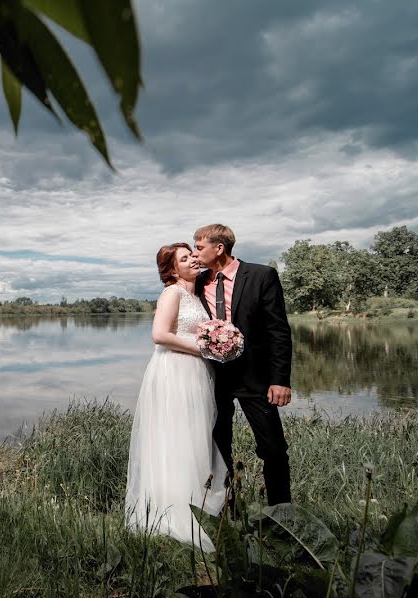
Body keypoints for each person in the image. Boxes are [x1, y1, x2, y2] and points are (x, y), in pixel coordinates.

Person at [125, 242, 228, 552]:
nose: (193, 260)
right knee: (175, 436)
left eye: (193, 255)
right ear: (172, 270)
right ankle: (173, 509)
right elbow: (160, 335)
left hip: (196, 372)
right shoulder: (172, 293)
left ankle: (195, 499)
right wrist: (204, 348)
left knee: (194, 435)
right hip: (174, 371)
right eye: (185, 258)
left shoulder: (198, 296)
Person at [192, 224, 293, 506]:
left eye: (199, 247)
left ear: (219, 248)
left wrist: (280, 379)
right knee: (218, 446)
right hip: (213, 378)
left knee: (273, 449)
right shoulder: (198, 282)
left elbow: (278, 331)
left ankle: (281, 514)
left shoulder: (262, 276)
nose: (195, 253)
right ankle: (227, 509)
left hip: (256, 378)